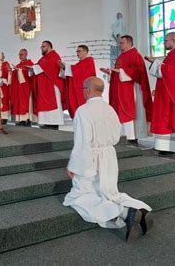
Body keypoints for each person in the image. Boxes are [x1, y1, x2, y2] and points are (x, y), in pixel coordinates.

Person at [63, 77, 151, 241]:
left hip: (91, 158)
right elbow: (116, 135)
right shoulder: (110, 109)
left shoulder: (83, 111)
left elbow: (83, 142)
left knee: (80, 197)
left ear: (88, 90)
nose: (83, 92)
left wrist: (73, 166)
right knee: (109, 193)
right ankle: (136, 208)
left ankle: (126, 212)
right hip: (109, 157)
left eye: (83, 89)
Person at [100, 35, 153, 144]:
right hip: (119, 90)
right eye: (119, 43)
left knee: (129, 111)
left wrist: (121, 72)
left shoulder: (135, 55)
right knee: (119, 112)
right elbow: (119, 72)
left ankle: (132, 136)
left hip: (129, 90)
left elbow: (138, 72)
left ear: (129, 43)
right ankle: (121, 136)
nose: (120, 45)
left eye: (122, 43)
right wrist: (110, 72)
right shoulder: (121, 56)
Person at [29, 41, 65, 129]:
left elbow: (51, 66)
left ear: (49, 46)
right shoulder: (43, 58)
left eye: (43, 46)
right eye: (41, 46)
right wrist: (32, 68)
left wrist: (36, 67)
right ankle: (47, 122)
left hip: (52, 85)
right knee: (44, 103)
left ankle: (54, 123)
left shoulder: (54, 55)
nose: (41, 48)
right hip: (44, 86)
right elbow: (39, 66)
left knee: (53, 103)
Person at [59, 45, 96, 118]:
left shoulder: (89, 61)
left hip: (85, 90)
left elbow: (79, 72)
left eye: (79, 51)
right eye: (77, 51)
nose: (77, 53)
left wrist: (66, 67)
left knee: (84, 112)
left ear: (85, 52)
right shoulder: (79, 63)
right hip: (80, 89)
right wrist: (64, 68)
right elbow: (75, 71)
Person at [10, 49, 35, 126]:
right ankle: (21, 120)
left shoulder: (30, 63)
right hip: (19, 88)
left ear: (26, 54)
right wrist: (10, 72)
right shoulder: (18, 65)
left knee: (27, 103)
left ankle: (28, 119)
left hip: (26, 88)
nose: (20, 56)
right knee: (19, 103)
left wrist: (20, 71)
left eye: (21, 54)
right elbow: (14, 76)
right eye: (19, 54)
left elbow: (31, 74)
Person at [0, 52, 12, 123]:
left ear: (4, 57)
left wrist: (10, 71)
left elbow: (9, 74)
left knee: (4, 101)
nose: (0, 57)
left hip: (4, 86)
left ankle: (4, 118)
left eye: (1, 56)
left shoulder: (6, 64)